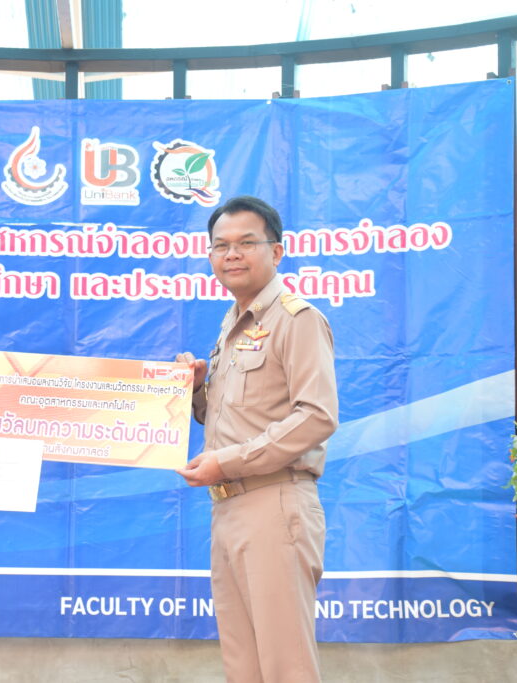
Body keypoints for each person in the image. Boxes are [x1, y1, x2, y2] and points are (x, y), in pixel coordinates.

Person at [176, 195, 338, 683]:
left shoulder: (296, 319)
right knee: (243, 666)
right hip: (228, 507)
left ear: (277, 251)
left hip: (274, 503)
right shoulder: (233, 324)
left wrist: (226, 462)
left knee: (286, 666)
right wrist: (197, 390)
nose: (232, 254)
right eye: (221, 245)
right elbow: (235, 416)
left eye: (247, 243)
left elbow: (316, 416)